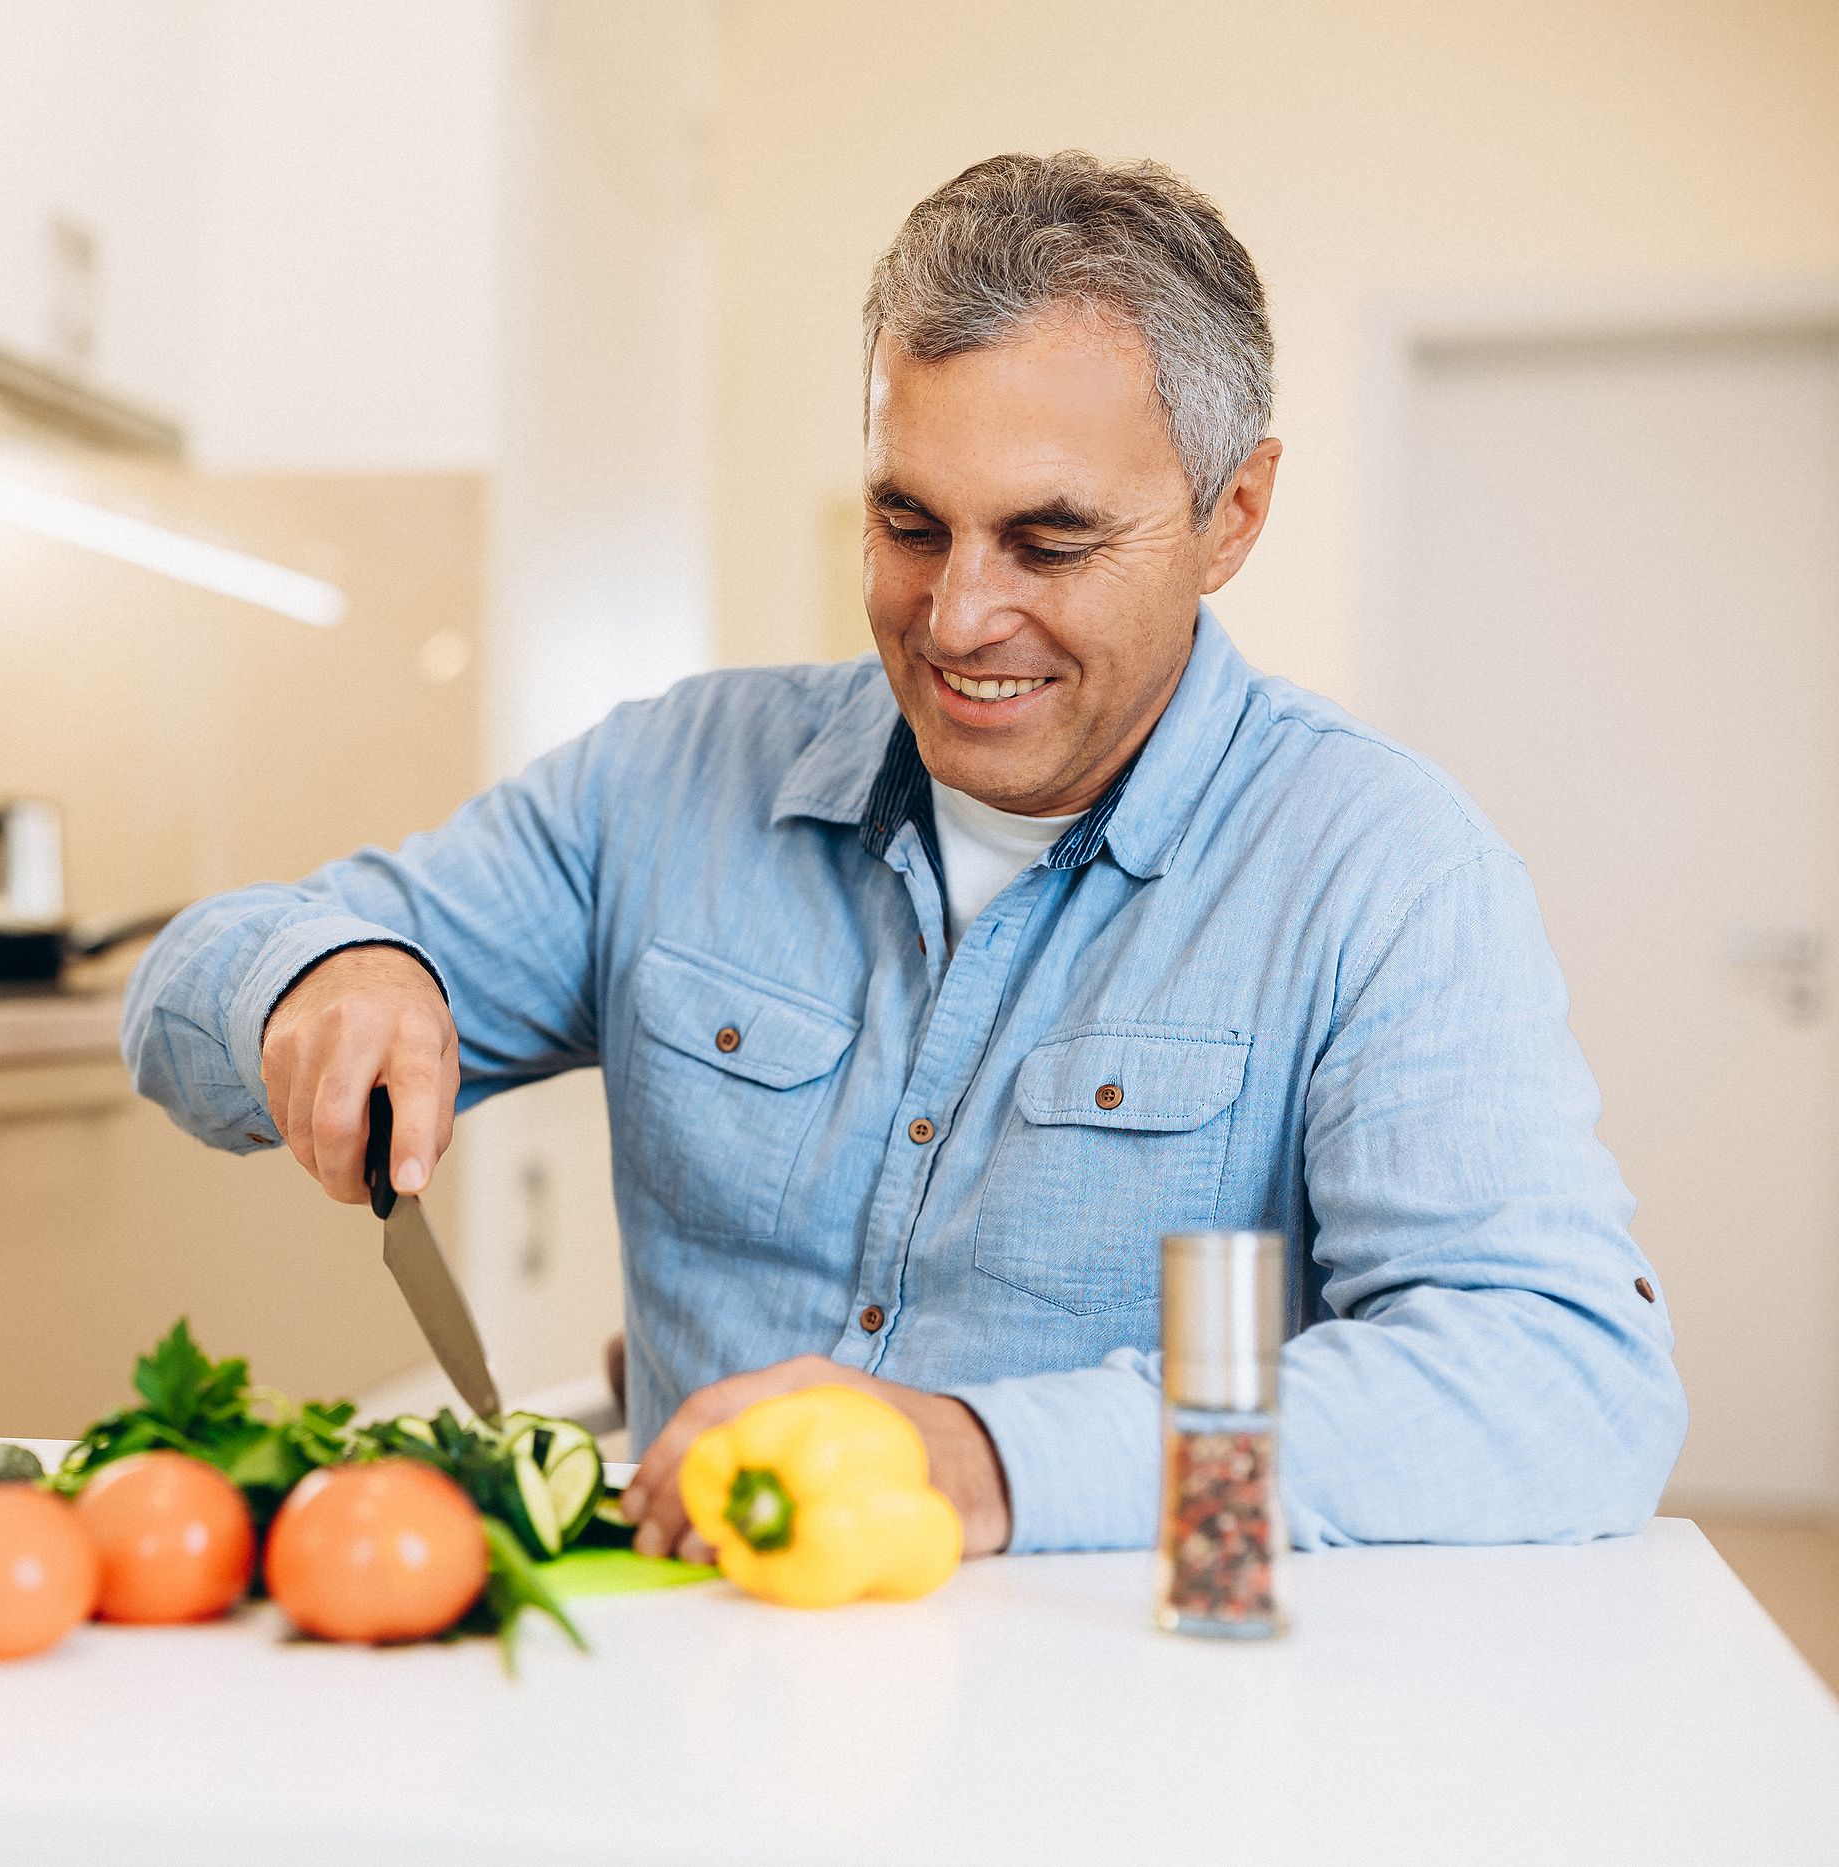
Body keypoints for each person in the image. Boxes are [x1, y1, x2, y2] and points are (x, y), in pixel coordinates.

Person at [121, 151, 1686, 1561]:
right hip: (696, 1694)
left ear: (1234, 515)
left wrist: (987, 1459)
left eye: (1051, 540)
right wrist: (319, 972)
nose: (955, 620)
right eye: (908, 521)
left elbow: (1563, 1384)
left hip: (1134, 1736)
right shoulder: (669, 780)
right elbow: (180, 997)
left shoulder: (1379, 870)